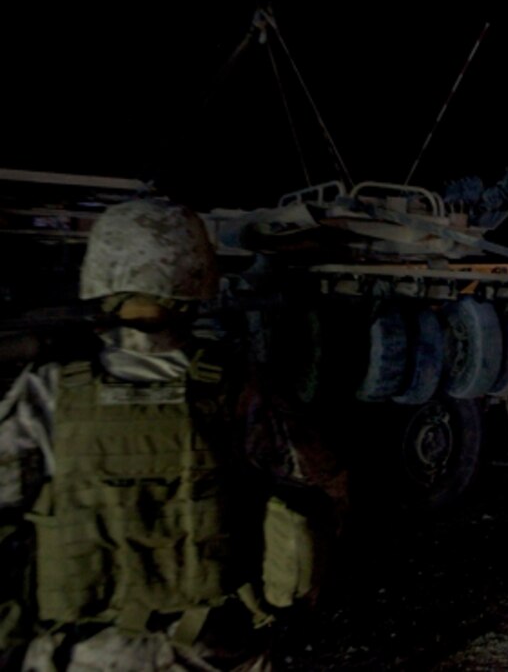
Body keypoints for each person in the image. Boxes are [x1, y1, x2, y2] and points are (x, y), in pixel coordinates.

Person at [0, 197, 336, 670]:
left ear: (101, 275)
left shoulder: (49, 390)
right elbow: (315, 493)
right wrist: (276, 603)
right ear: (195, 279)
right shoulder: (238, 387)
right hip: (211, 647)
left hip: (81, 653)